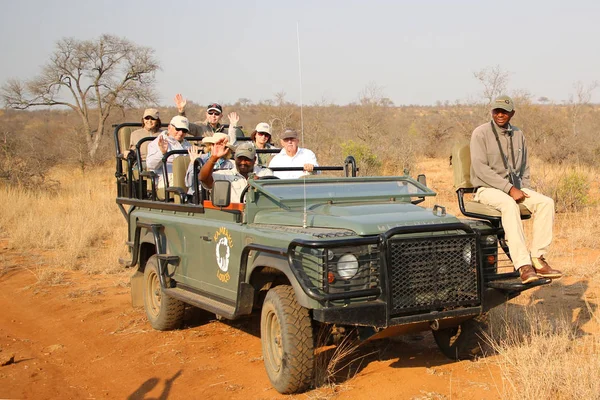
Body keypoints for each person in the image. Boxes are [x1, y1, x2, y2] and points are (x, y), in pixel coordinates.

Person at [470, 95, 562, 284]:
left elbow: (525, 167)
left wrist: (526, 190)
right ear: (491, 112)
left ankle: (538, 258)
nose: (500, 115)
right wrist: (509, 189)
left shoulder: (518, 134)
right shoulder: (480, 133)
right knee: (509, 205)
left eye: (504, 111)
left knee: (546, 202)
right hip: (487, 189)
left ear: (512, 113)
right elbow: (480, 169)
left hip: (515, 188)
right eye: (497, 111)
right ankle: (523, 265)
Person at [200, 139, 272, 203]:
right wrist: (214, 157)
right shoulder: (225, 175)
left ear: (254, 159)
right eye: (240, 158)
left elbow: (274, 192)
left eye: (247, 159)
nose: (243, 162)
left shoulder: (265, 173)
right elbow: (203, 179)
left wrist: (260, 183)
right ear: (235, 158)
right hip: (233, 215)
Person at [146, 116, 193, 188]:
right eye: (178, 129)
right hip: (166, 179)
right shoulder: (157, 143)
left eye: (184, 130)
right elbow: (151, 165)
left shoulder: (187, 145)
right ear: (169, 127)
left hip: (186, 177)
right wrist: (162, 153)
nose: (180, 133)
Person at [174, 94, 243, 141]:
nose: (213, 115)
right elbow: (184, 125)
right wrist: (181, 111)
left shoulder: (225, 132)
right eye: (210, 113)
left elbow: (232, 142)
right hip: (202, 159)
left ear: (221, 116)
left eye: (216, 113)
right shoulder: (199, 126)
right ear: (206, 114)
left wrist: (233, 125)